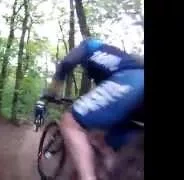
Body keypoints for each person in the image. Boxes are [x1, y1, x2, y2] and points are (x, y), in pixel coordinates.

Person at [42, 38, 144, 180]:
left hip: (133, 80)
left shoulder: (90, 46)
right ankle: (111, 162)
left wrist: (52, 91)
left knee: (71, 122)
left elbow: (66, 63)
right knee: (104, 135)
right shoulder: (117, 59)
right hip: (135, 98)